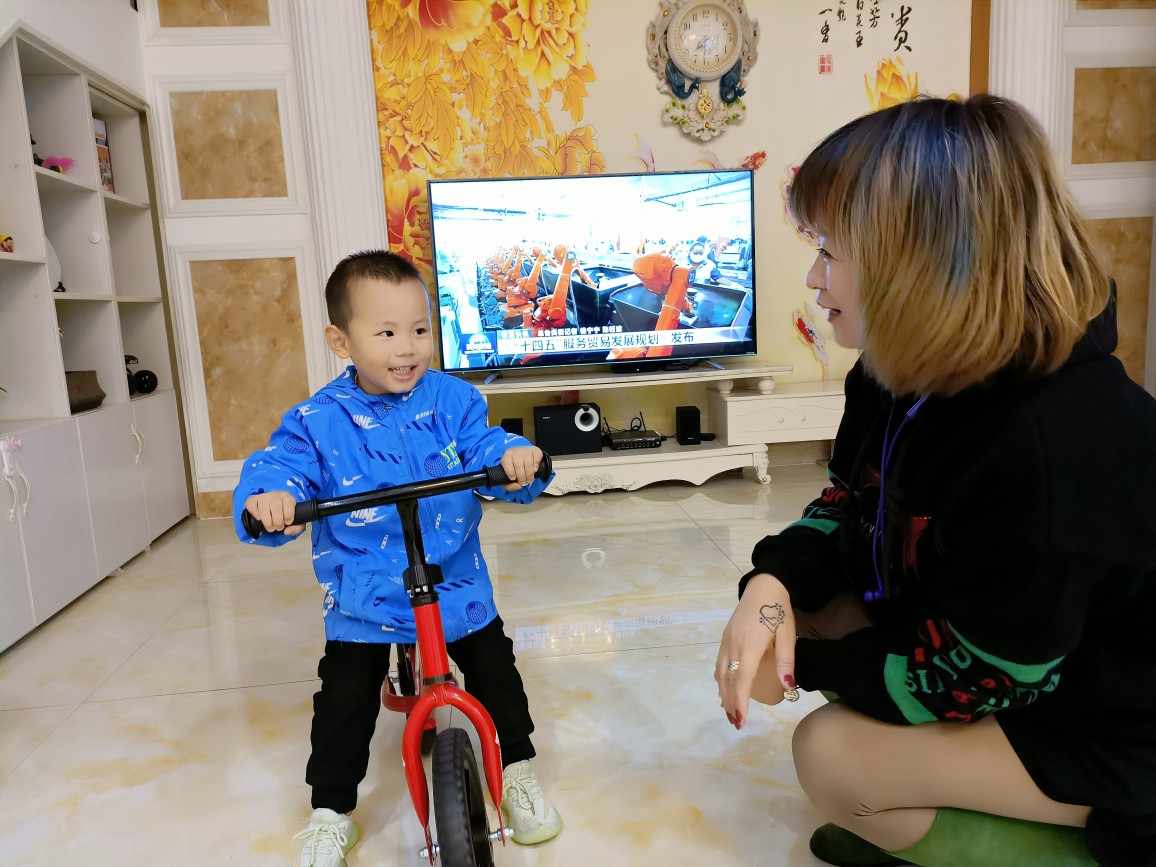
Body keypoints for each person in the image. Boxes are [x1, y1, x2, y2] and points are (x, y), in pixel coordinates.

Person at [715, 94, 1156, 867]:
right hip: (1020, 653)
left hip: (1116, 720)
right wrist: (770, 586)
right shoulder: (896, 371)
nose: (814, 278)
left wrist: (806, 667)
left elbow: (984, 675)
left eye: (829, 251)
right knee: (794, 620)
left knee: (829, 755)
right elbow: (847, 504)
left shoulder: (1048, 446)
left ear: (917, 263)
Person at [234, 250, 563, 867]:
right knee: (344, 696)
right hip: (364, 591)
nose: (407, 348)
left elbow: (484, 445)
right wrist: (271, 498)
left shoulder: (454, 400)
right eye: (385, 333)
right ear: (341, 341)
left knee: (494, 668)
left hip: (454, 579)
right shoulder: (317, 420)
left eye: (419, 329)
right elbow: (282, 467)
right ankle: (331, 810)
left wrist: (513, 457)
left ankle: (515, 768)